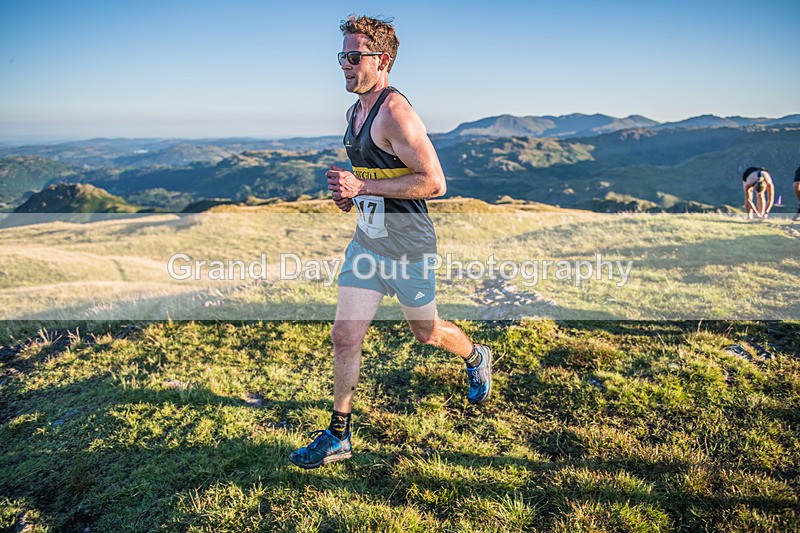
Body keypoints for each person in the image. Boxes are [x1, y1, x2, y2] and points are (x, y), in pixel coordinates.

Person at [289, 15, 493, 469]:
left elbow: (434, 182)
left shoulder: (396, 112)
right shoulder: (354, 112)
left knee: (427, 333)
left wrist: (363, 189)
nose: (345, 64)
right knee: (345, 335)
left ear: (382, 60)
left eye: (354, 56)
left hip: (409, 248)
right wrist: (351, 195)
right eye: (342, 55)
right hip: (368, 244)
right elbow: (376, 179)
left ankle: (476, 355)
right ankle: (339, 434)